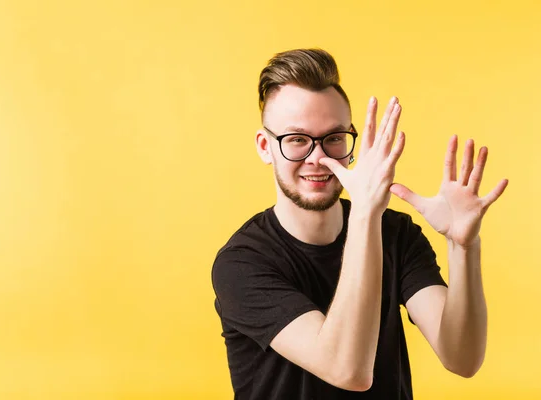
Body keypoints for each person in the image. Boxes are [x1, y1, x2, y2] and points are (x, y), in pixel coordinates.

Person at [210, 48, 508, 400]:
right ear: (265, 146)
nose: (318, 157)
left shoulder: (395, 234)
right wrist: (367, 212)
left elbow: (462, 357)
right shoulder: (242, 264)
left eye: (334, 138)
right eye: (296, 140)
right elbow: (348, 371)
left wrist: (464, 247)